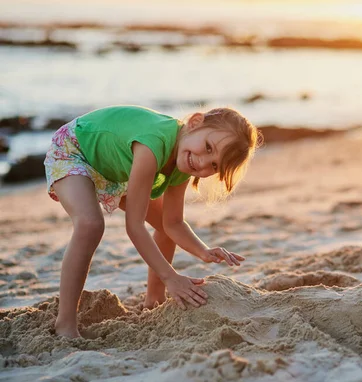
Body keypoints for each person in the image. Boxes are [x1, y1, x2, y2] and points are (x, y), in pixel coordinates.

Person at [44, 105, 261, 338]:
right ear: (195, 122)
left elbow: (173, 223)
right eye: (208, 148)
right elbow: (134, 227)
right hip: (74, 149)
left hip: (113, 168)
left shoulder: (185, 161)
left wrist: (204, 251)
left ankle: (153, 301)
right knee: (90, 224)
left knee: (164, 229)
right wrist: (172, 277)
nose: (203, 163)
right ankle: (65, 323)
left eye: (214, 166)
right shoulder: (152, 145)